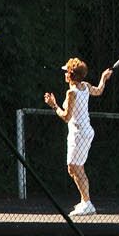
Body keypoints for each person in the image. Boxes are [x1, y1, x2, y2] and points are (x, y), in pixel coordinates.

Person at [45, 58, 112, 216]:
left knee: (76, 168)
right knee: (72, 168)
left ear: (70, 75)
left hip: (80, 134)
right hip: (84, 132)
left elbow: (66, 117)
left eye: (66, 72)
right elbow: (99, 90)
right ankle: (85, 201)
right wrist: (103, 78)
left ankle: (87, 203)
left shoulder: (71, 93)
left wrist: (53, 105)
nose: (64, 75)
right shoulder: (86, 86)